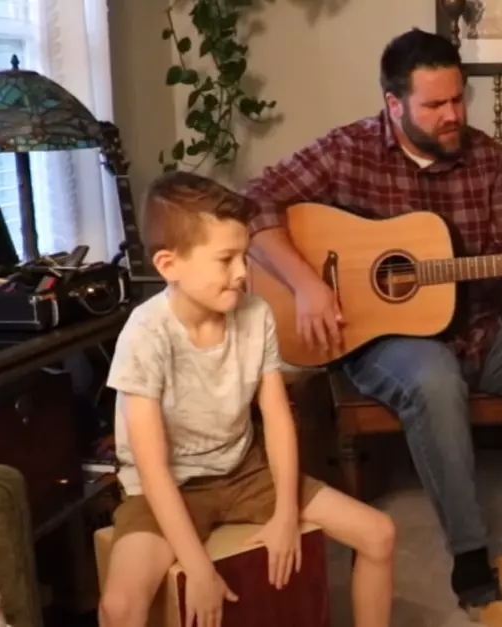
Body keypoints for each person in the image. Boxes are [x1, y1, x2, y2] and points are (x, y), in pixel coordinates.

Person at [240, 29, 502, 609]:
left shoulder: (487, 158)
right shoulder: (347, 150)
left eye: (458, 99)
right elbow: (252, 201)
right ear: (394, 103)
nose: (452, 115)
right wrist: (306, 285)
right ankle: (469, 549)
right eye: (434, 105)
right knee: (434, 378)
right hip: (383, 339)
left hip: (477, 324)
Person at [98, 172, 396, 627]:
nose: (242, 272)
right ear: (168, 264)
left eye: (244, 255)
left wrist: (285, 515)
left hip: (246, 472)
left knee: (380, 534)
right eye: (226, 259)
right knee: (120, 606)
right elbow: (153, 469)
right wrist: (198, 569)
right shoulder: (145, 333)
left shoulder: (255, 314)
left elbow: (277, 418)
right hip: (171, 487)